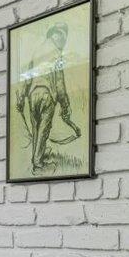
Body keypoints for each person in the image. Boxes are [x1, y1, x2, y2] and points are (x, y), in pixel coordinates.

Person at [16, 21, 81, 172]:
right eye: (62, 37)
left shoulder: (37, 51)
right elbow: (59, 83)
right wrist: (65, 105)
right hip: (47, 95)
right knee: (44, 129)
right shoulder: (57, 55)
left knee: (36, 127)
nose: (63, 41)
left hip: (33, 95)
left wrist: (21, 99)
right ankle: (38, 163)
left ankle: (36, 157)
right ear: (55, 35)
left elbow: (27, 77)